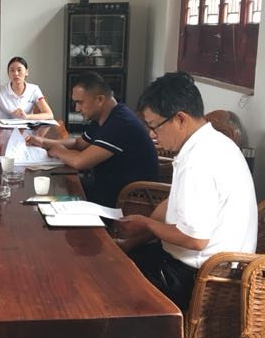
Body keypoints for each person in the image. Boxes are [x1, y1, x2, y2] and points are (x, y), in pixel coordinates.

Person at [118, 71, 257, 310]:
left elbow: (195, 239)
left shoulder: (198, 162)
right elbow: (171, 204)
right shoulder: (213, 143)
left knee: (113, 281)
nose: (152, 134)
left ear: (180, 119)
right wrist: (135, 240)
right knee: (124, 258)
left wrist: (146, 224)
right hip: (211, 266)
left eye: (155, 127)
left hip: (203, 278)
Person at [27, 72, 159, 207]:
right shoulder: (105, 116)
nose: (77, 108)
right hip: (107, 185)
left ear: (100, 100)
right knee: (55, 190)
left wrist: (56, 150)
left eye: (80, 102)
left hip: (128, 198)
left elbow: (80, 161)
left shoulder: (120, 123)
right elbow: (79, 143)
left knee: (53, 197)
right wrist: (44, 142)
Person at [0, 56, 54, 123]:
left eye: (19, 70)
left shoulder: (34, 89)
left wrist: (27, 116)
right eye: (12, 70)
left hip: (27, 132)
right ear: (8, 74)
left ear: (26, 72)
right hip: (4, 131)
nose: (16, 74)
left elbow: (49, 114)